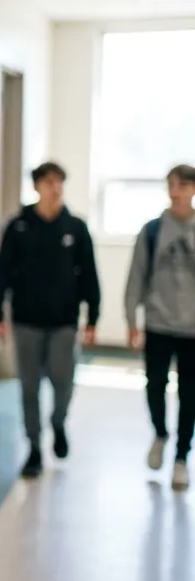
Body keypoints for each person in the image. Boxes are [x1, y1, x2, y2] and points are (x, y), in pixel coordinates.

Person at [0, 161, 100, 479]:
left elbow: (89, 275)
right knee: (29, 388)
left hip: (64, 321)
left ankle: (58, 422)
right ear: (37, 186)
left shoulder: (75, 228)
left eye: (60, 182)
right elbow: (2, 272)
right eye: (50, 182)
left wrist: (93, 316)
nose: (56, 188)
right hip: (26, 320)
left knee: (63, 382)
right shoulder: (19, 226)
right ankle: (35, 447)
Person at [125, 164, 195, 490]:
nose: (176, 190)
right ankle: (160, 434)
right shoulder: (152, 230)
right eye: (171, 184)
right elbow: (136, 276)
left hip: (192, 329)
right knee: (155, 386)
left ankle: (182, 456)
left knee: (189, 395)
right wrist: (131, 320)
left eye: (183, 184)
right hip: (158, 323)